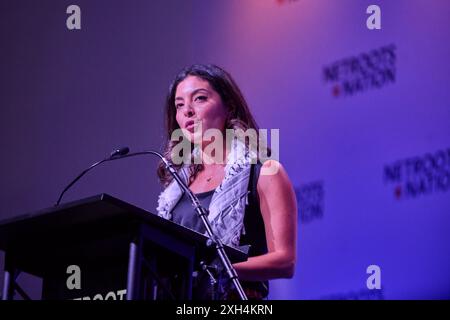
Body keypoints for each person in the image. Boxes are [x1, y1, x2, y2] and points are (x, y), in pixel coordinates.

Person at [156, 64, 297, 300]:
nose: (187, 111)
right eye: (179, 105)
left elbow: (285, 261)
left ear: (229, 105)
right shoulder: (177, 189)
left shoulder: (265, 173)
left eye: (199, 99)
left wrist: (218, 271)